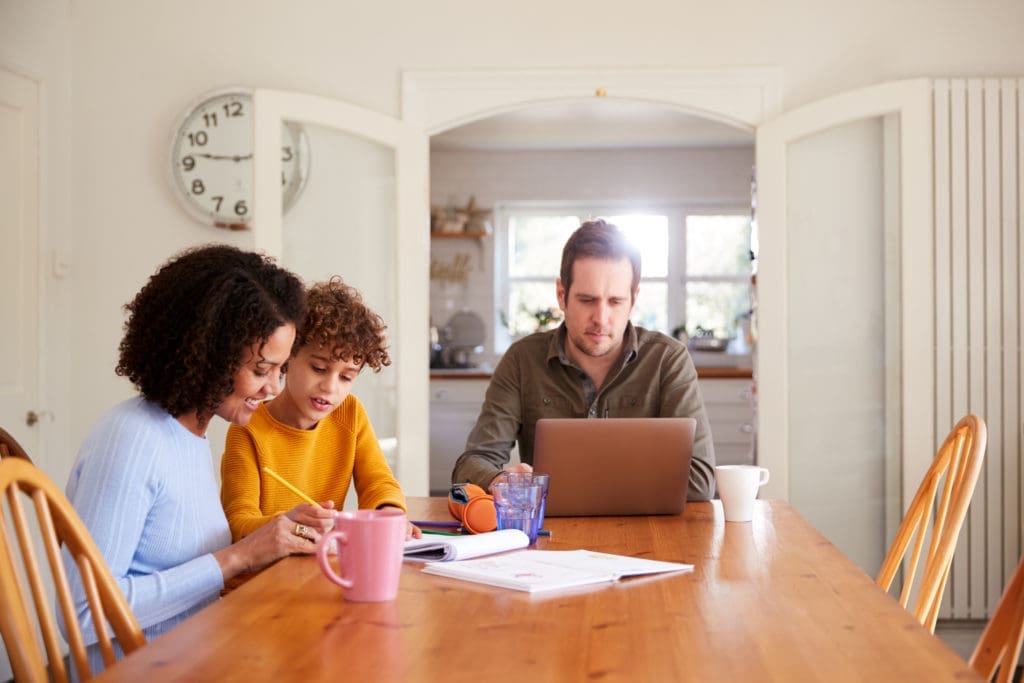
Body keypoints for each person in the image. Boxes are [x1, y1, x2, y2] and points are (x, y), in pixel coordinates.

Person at [63, 244, 318, 674]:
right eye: (260, 370)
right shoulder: (132, 440)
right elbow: (83, 615)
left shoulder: (191, 434)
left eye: (281, 368)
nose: (274, 387)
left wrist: (268, 542)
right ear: (210, 355)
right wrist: (238, 557)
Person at [451, 219, 716, 501]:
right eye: (588, 300)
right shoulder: (522, 360)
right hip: (552, 537)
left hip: (648, 535)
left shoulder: (668, 360)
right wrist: (498, 479)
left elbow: (700, 482)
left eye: (615, 301)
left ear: (633, 299)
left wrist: (589, 483)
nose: (601, 319)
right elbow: (470, 464)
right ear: (562, 295)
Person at [221, 277, 420, 542]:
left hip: (323, 565)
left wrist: (389, 512)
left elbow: (377, 481)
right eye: (319, 368)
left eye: (346, 377)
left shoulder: (350, 413)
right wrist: (289, 523)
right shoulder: (247, 429)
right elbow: (238, 523)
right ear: (288, 358)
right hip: (267, 573)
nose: (330, 387)